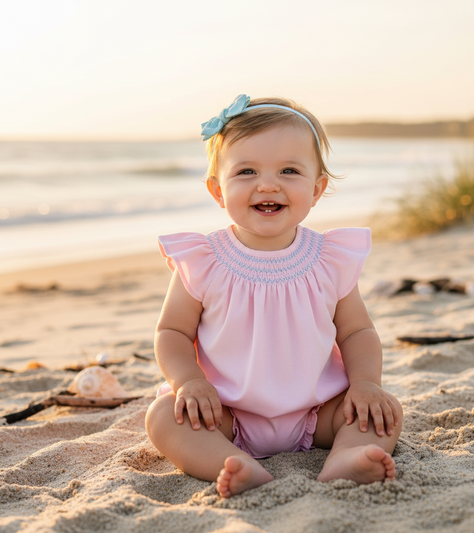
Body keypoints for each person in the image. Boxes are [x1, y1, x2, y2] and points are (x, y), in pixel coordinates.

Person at [145, 94, 403, 498]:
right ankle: (234, 464)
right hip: (225, 413)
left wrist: (367, 383)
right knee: (163, 416)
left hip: (318, 414)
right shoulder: (204, 260)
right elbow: (171, 332)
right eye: (246, 171)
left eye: (289, 170)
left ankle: (346, 458)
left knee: (383, 411)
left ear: (317, 189)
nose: (268, 184)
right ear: (217, 190)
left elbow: (357, 332)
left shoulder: (329, 259)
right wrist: (189, 381)